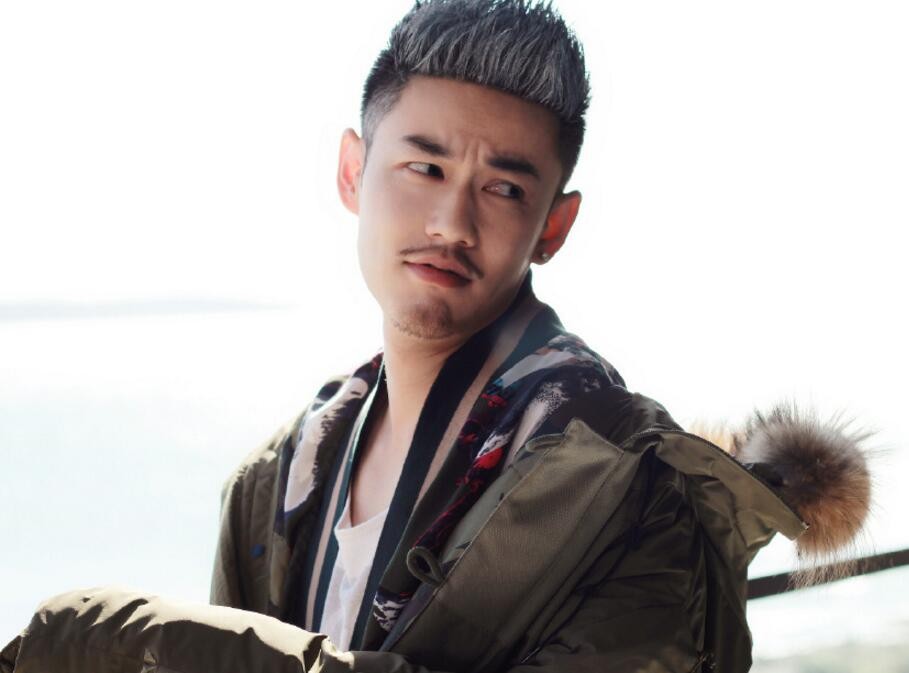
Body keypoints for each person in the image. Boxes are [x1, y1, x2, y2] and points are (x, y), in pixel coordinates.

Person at [2, 1, 872, 672]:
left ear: (553, 225)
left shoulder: (634, 489)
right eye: (424, 167)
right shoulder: (276, 481)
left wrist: (124, 641)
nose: (451, 221)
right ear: (353, 171)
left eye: (503, 188)